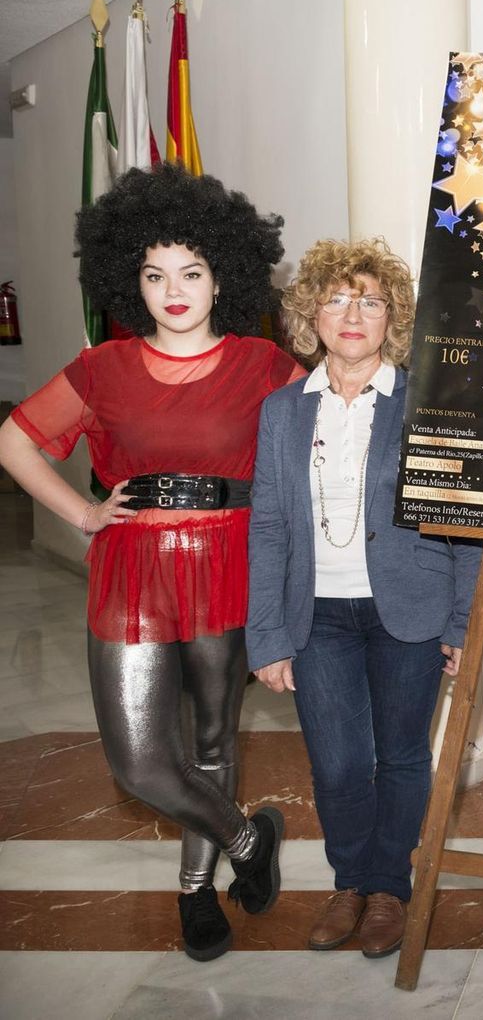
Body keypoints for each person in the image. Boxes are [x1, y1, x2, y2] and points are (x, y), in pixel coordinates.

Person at [0, 165, 301, 961]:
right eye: (154, 273)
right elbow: (15, 441)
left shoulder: (263, 364)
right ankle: (246, 839)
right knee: (138, 761)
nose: (174, 290)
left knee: (212, 736)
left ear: (222, 277)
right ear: (129, 279)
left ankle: (196, 893)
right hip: (132, 569)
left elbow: (326, 436)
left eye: (192, 272)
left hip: (228, 561)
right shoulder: (101, 369)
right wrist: (85, 515)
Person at [247, 237, 482, 959]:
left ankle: (387, 889)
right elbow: (268, 524)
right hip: (315, 615)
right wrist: (266, 635)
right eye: (338, 298)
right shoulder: (283, 411)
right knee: (339, 761)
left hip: (407, 609)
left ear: (393, 319)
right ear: (311, 312)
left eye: (371, 301)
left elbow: (466, 522)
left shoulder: (426, 402)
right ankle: (348, 880)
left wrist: (460, 620)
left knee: (403, 756)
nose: (353, 313)